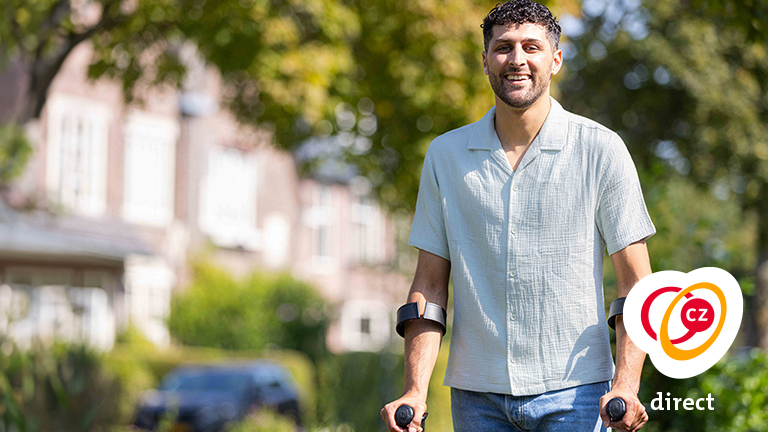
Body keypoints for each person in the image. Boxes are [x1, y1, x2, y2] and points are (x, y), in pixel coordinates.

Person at [380, 1, 655, 431]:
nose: (517, 59)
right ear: (485, 60)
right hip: (476, 397)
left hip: (578, 393)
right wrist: (415, 390)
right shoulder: (445, 156)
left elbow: (636, 287)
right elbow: (429, 288)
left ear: (556, 59)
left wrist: (626, 383)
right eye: (503, 47)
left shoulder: (601, 150)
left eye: (532, 46)